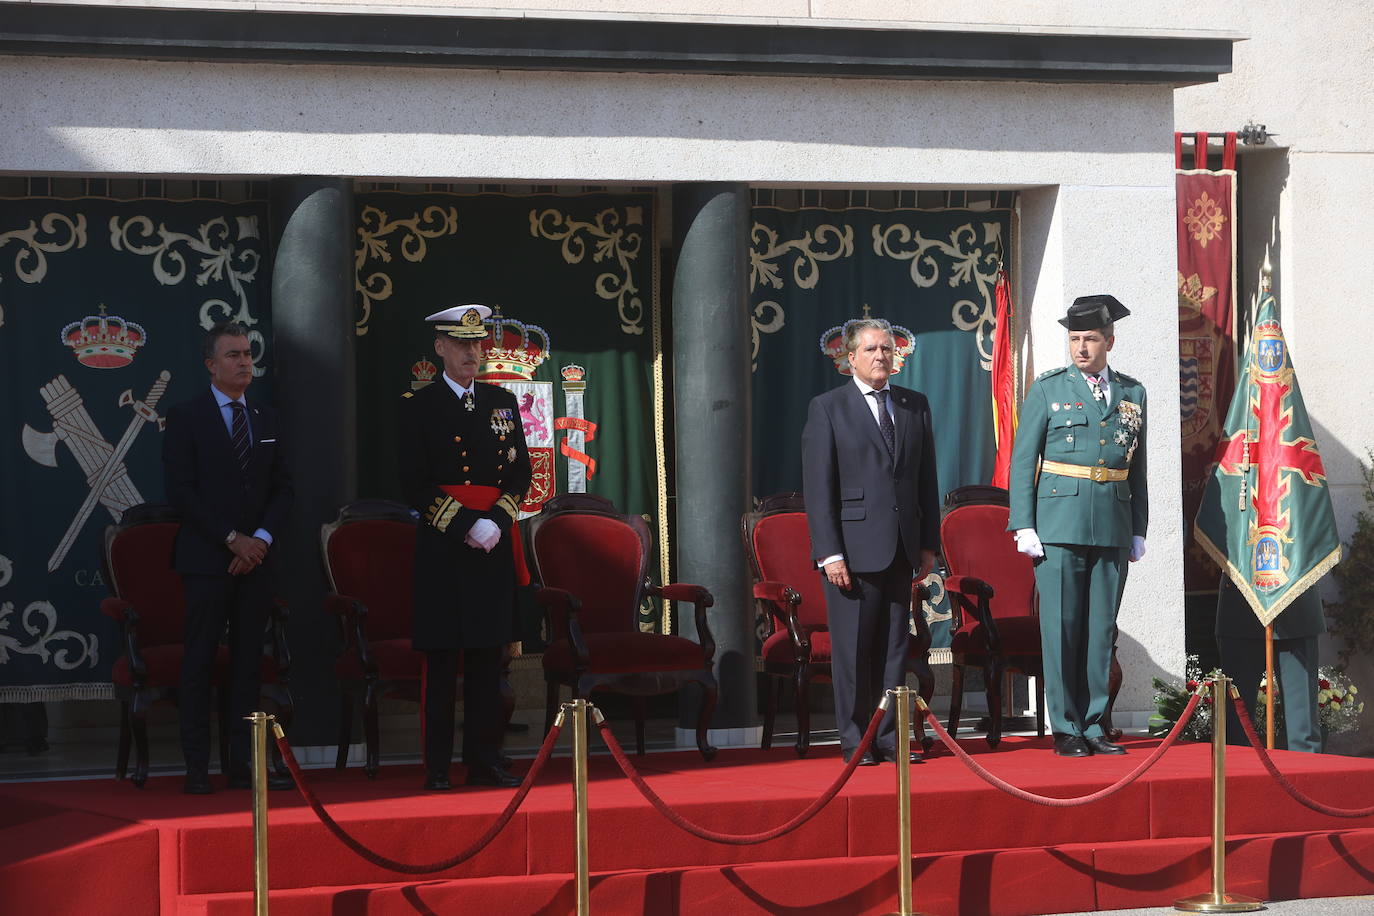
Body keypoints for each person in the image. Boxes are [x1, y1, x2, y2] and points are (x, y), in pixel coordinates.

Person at [1008, 295, 1148, 757]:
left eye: (1089, 339)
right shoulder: (1049, 389)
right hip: (1059, 523)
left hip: (1112, 521)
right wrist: (1023, 524)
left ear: (1110, 340)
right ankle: (1065, 727)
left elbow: (1137, 466)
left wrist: (1138, 526)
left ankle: (1093, 724)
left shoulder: (1133, 393)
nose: (1081, 348)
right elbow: (1024, 461)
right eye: (1074, 339)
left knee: (1100, 630)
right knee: (1063, 627)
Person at [398, 304, 531, 790]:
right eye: (462, 344)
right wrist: (463, 526)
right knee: (442, 661)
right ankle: (437, 766)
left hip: (493, 545)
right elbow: (413, 483)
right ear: (440, 348)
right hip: (444, 549)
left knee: (485, 659)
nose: (472, 352)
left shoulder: (501, 401)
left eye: (477, 344)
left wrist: (496, 520)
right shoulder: (418, 405)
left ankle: (485, 759)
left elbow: (520, 473)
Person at [802, 318, 940, 765]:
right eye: (871, 350)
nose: (881, 356)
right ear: (850, 358)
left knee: (893, 650)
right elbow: (818, 488)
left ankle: (887, 739)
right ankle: (855, 741)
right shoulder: (828, 408)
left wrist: (928, 543)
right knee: (853, 651)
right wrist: (830, 552)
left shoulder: (914, 405)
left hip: (901, 546)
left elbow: (925, 480)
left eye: (887, 349)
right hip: (852, 552)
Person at [162, 321, 293, 794]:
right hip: (206, 560)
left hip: (255, 561)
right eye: (233, 355)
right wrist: (231, 539)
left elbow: (283, 489)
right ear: (210, 365)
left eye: (247, 354)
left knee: (246, 667)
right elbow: (182, 491)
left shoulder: (266, 418)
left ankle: (241, 763)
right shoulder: (186, 416)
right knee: (199, 662)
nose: (244, 362)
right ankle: (197, 766)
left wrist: (257, 540)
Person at [1217, 577, 1324, 753]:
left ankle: (1304, 779)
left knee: (1303, 730)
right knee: (1236, 730)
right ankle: (1239, 780)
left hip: (1297, 599)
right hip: (1240, 603)